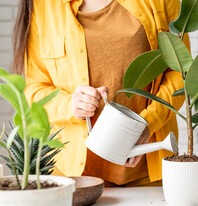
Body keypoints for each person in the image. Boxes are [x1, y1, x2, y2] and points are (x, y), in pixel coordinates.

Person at [12, 0, 189, 186]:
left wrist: (149, 122)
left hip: (146, 170)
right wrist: (70, 105)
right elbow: (35, 90)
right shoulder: (45, 6)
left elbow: (180, 72)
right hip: (73, 179)